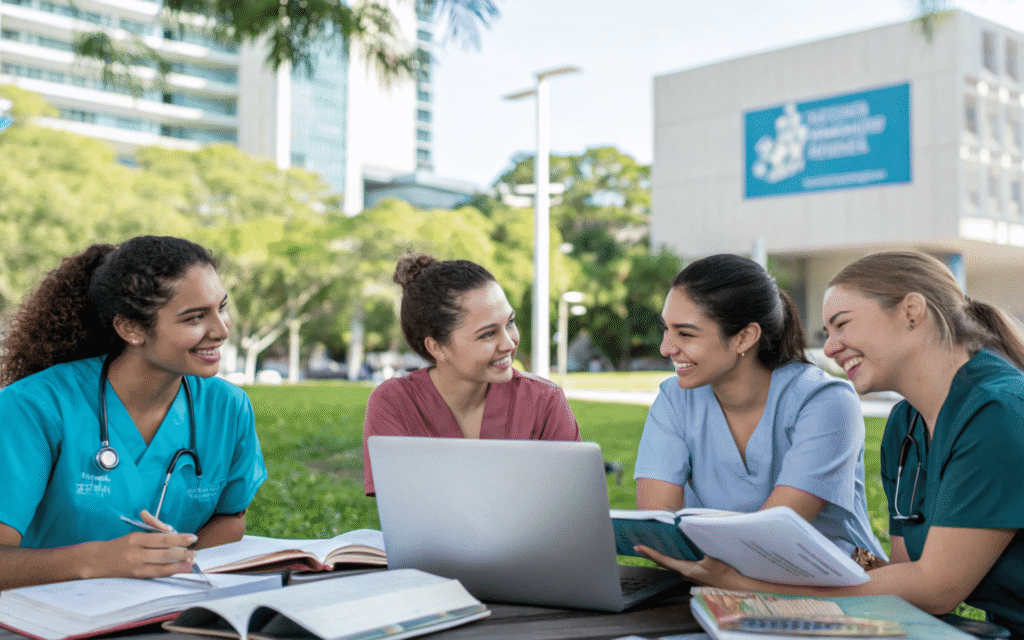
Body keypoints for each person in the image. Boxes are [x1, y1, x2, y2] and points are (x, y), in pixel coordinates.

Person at [638, 251, 1024, 636]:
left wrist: (753, 587)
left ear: (912, 311)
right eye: (827, 333)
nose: (832, 348)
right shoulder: (905, 426)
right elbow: (905, 577)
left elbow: (936, 589)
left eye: (842, 326)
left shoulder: (996, 411)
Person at [0, 236, 268, 589]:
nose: (220, 331)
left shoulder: (227, 407)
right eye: (194, 318)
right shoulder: (34, 406)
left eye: (221, 308)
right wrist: (100, 561)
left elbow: (230, 517)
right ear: (131, 329)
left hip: (166, 608)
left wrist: (174, 562)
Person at [634, 253, 885, 561]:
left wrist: (695, 554)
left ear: (744, 337)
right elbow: (657, 530)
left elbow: (769, 538)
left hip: (837, 592)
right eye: (666, 329)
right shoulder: (676, 399)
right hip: (717, 581)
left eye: (685, 333)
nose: (666, 348)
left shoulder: (825, 401)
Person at [362, 253, 581, 495]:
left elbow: (571, 500)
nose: (509, 343)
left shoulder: (544, 400)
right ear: (437, 347)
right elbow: (401, 507)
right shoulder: (394, 403)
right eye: (488, 334)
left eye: (509, 322)